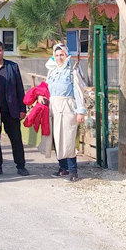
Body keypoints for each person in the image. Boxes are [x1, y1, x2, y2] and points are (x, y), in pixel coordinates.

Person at [0, 41, 29, 177]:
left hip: (11, 110)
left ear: (3, 51)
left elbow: (20, 89)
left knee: (16, 139)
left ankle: (21, 166)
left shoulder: (12, 67)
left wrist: (23, 109)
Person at [46, 43, 87, 182]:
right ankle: (62, 168)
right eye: (56, 55)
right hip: (53, 108)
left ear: (66, 56)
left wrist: (80, 111)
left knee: (67, 138)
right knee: (56, 139)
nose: (59, 58)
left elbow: (78, 92)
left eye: (61, 55)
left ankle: (73, 171)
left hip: (67, 108)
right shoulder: (52, 72)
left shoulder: (72, 72)